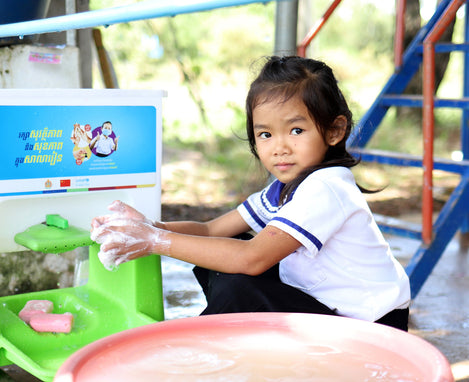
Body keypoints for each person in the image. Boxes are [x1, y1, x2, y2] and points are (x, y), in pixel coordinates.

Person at [91, 56, 411, 331]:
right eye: (266, 134)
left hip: (371, 326)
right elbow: (209, 230)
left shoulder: (327, 187)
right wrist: (148, 228)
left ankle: (202, 350)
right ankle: (226, 340)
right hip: (333, 309)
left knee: (239, 284)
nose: (280, 147)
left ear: (333, 131)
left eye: (296, 130)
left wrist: (153, 242)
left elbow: (253, 259)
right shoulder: (282, 189)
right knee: (218, 257)